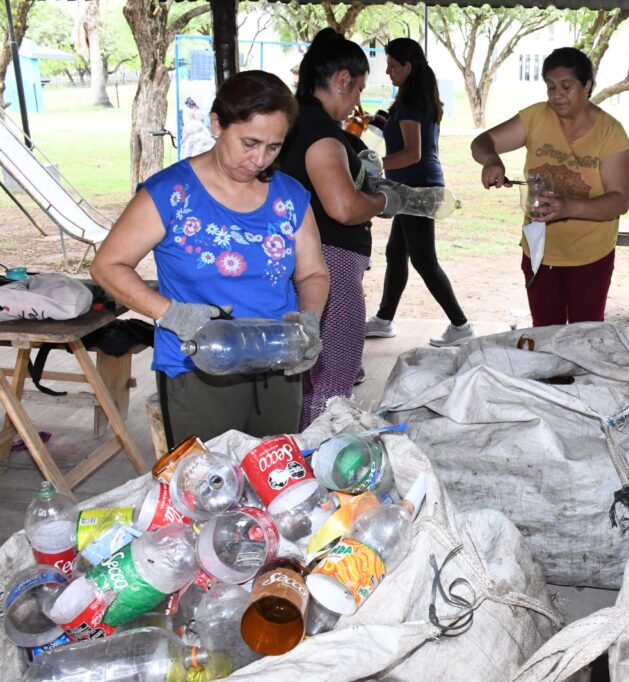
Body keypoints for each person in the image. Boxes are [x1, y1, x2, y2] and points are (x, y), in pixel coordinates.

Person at [90, 70, 329, 445]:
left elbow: (313, 273)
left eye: (273, 147)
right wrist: (172, 314)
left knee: (276, 477)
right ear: (217, 123)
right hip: (198, 367)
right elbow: (107, 266)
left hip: (277, 361)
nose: (259, 159)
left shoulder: (290, 196)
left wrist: (308, 321)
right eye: (249, 142)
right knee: (209, 485)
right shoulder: (171, 194)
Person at [278, 28, 394, 429]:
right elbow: (343, 207)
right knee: (334, 372)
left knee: (308, 372)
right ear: (342, 80)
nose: (357, 100)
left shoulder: (295, 121)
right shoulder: (320, 133)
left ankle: (297, 456)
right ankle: (316, 465)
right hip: (330, 264)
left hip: (307, 258)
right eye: (358, 88)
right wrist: (383, 200)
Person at [470, 47, 629, 327]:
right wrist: (491, 160)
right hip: (540, 250)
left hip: (589, 254)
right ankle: (552, 374)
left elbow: (619, 202)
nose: (557, 95)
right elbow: (482, 142)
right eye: (551, 86)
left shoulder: (610, 132)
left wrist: (568, 207)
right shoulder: (536, 117)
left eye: (567, 86)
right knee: (545, 332)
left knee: (585, 334)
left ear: (587, 86)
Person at [365, 37, 475, 347]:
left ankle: (461, 325)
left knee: (424, 260)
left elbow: (412, 153)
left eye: (392, 66)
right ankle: (384, 320)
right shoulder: (410, 98)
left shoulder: (412, 102)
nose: (388, 72)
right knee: (395, 252)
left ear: (407, 66)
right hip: (409, 187)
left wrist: (374, 164)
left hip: (418, 188)